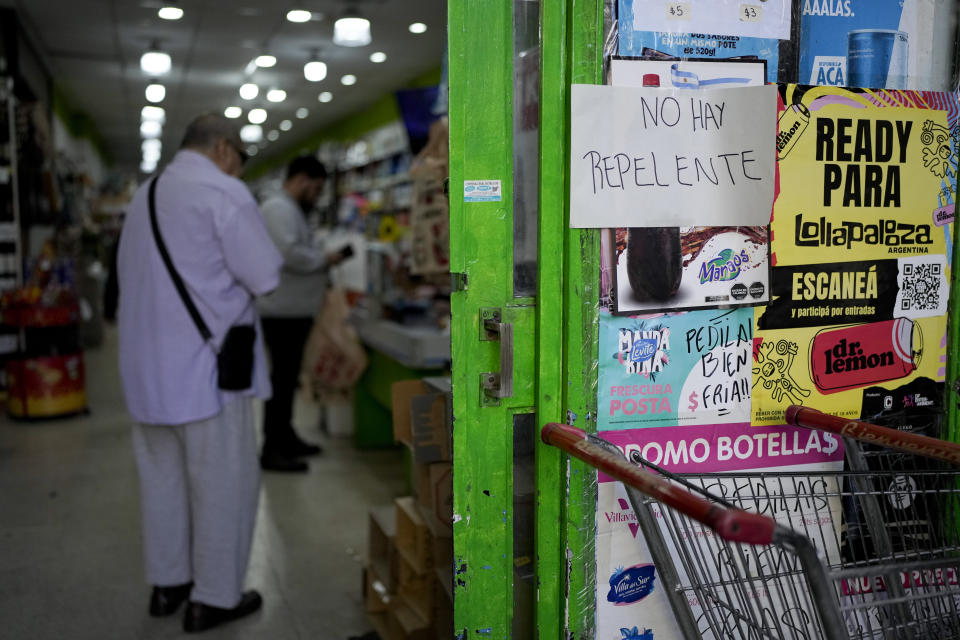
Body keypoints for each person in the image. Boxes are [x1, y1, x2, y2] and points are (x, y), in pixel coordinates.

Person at [116, 114, 283, 633]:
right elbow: (266, 275)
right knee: (223, 485)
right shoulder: (224, 193)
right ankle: (213, 598)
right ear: (225, 149)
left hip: (146, 373)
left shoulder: (144, 196)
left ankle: (169, 586)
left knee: (161, 481)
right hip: (207, 372)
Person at [257, 155, 349, 472]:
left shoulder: (288, 209)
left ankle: (285, 436)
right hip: (282, 312)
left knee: (288, 378)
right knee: (281, 381)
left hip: (292, 310)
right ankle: (272, 448)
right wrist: (325, 259)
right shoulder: (278, 209)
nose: (318, 195)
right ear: (301, 180)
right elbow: (290, 254)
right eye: (317, 188)